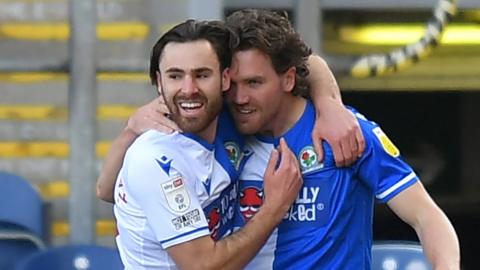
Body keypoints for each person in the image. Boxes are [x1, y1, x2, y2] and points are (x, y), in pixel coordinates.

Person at [223, 9, 459, 269]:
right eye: (231, 85)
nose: (239, 97)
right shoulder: (216, 134)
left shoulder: (347, 132)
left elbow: (426, 216)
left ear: (288, 79)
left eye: (253, 83)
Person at [113, 19, 304, 269]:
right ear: (159, 83)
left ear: (225, 79)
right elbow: (204, 266)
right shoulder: (153, 158)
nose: (188, 89)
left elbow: (298, 62)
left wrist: (330, 104)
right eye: (175, 76)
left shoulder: (229, 118)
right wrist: (275, 207)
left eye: (202, 75)